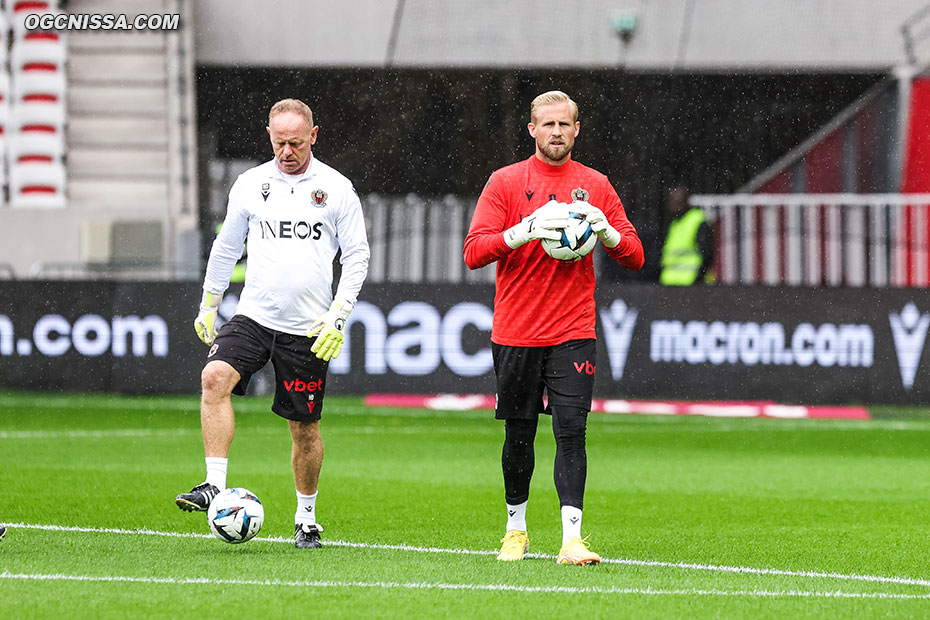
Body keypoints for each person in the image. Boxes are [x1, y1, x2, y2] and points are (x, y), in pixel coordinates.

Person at [175, 98, 370, 550]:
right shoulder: (250, 184)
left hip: (308, 328)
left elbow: (357, 256)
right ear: (269, 136)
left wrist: (337, 316)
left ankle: (306, 519)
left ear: (314, 137)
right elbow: (226, 246)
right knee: (214, 377)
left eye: (296, 143)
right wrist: (209, 303)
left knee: (304, 430)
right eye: (280, 142)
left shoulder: (337, 189)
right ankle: (213, 485)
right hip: (254, 316)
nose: (287, 151)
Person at [463, 90, 644, 565]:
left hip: (573, 329)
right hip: (516, 330)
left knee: (572, 430)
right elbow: (473, 251)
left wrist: (607, 233)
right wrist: (522, 231)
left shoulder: (595, 184)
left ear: (577, 129)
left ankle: (572, 538)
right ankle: (515, 530)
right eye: (547, 125)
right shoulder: (505, 182)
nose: (556, 132)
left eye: (564, 124)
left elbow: (636, 253)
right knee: (519, 434)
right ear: (532, 130)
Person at [659, 185, 714, 285]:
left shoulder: (697, 220)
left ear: (686, 200)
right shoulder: (674, 223)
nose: (672, 204)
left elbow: (707, 254)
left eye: (676, 200)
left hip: (691, 284)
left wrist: (698, 279)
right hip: (670, 284)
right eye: (671, 200)